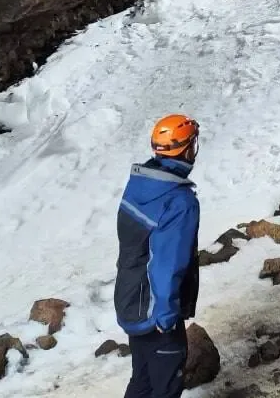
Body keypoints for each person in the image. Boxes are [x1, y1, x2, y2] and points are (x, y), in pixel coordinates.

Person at [116, 115, 202, 398]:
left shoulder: (141, 185)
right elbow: (167, 265)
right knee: (166, 385)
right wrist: (166, 317)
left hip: (131, 300)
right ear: (188, 149)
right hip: (156, 310)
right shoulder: (179, 201)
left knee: (142, 380)